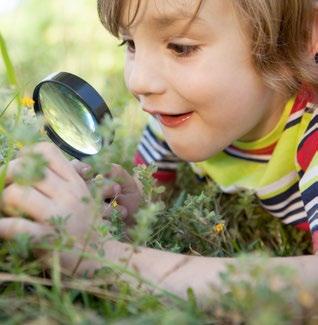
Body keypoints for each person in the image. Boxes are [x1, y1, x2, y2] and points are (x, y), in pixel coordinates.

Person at [0, 0, 318, 302]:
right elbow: (154, 200)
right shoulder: (175, 116)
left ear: (303, 37)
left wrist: (104, 258)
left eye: (181, 47)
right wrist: (133, 210)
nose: (139, 82)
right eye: (131, 44)